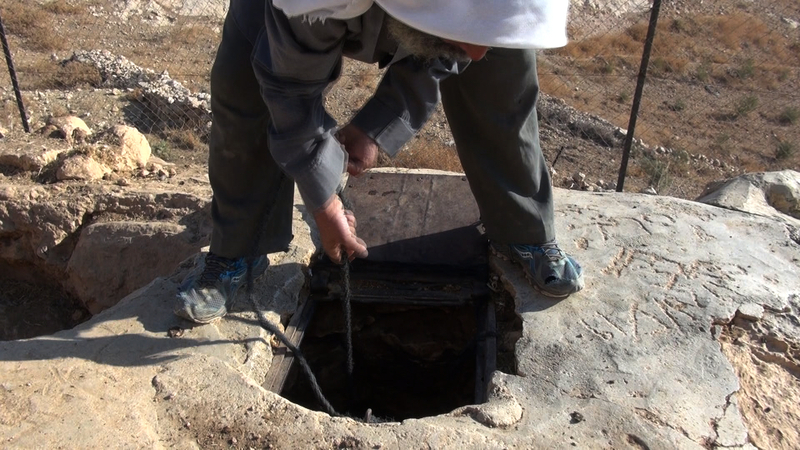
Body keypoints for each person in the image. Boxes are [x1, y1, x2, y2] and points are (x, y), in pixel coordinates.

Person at [175, 0, 585, 324]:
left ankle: (523, 230)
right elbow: (289, 91)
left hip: (440, 10)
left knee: (501, 74)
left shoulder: (478, 32)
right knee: (244, 85)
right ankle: (237, 251)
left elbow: (456, 49)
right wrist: (324, 199)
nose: (479, 54)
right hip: (285, 11)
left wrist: (376, 125)